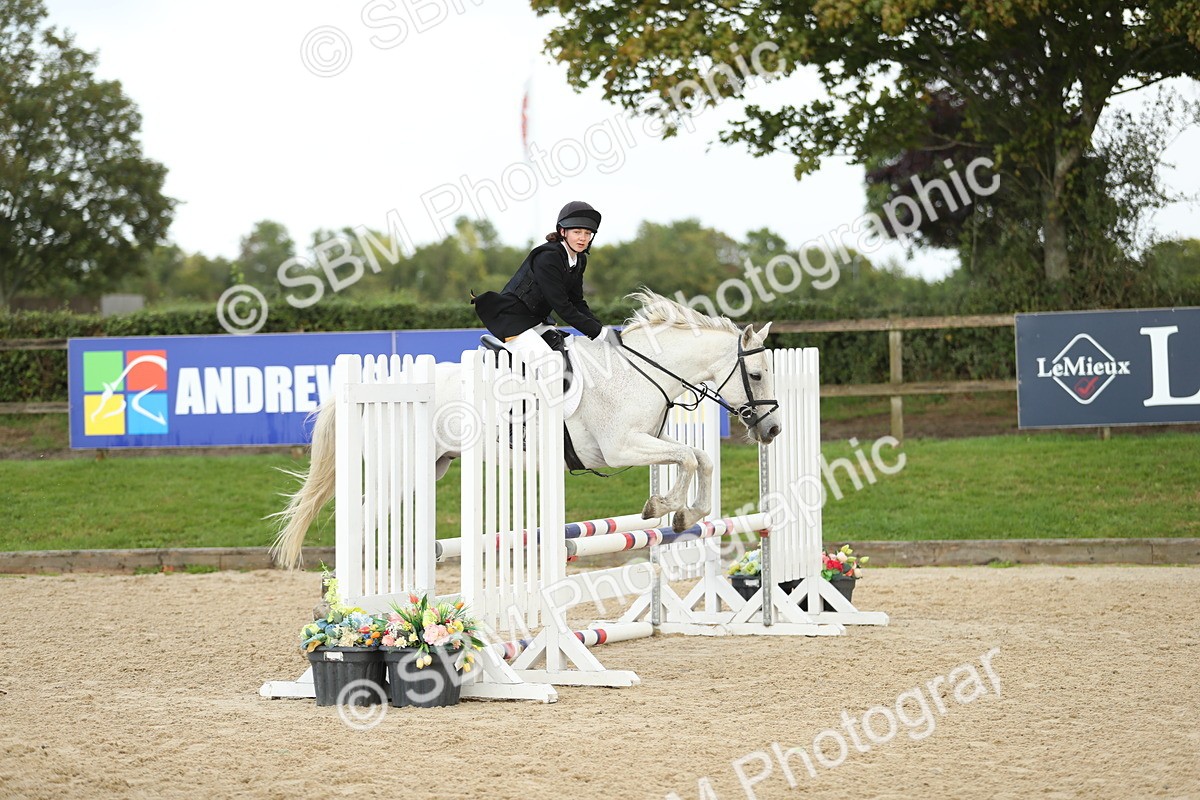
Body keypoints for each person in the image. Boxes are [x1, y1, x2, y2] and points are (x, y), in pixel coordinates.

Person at [472, 200, 621, 361]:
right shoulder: (548, 258)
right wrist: (599, 333)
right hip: (513, 320)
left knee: (570, 348)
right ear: (563, 231)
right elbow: (562, 307)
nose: (583, 238)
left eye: (587, 233)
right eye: (577, 232)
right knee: (550, 364)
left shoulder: (579, 259)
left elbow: (577, 302)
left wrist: (603, 330)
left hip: (535, 321)